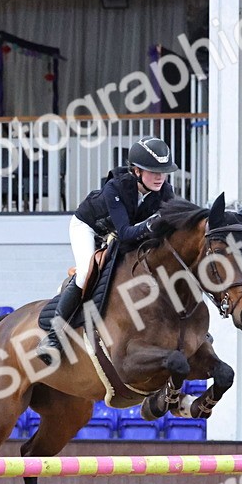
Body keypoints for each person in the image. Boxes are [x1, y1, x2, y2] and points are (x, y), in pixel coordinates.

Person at [35, 136, 179, 363]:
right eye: (154, 172)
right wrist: (153, 223)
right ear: (137, 171)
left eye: (164, 172)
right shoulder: (116, 188)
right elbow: (125, 233)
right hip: (89, 228)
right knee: (85, 273)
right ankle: (54, 337)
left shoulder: (165, 192)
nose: (160, 177)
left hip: (122, 235)